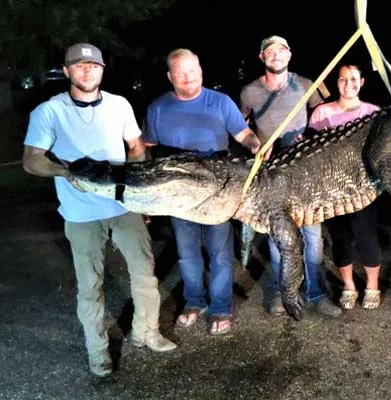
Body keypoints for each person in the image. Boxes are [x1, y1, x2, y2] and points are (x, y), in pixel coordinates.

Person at [22, 43, 177, 378]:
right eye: (79, 66)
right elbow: (32, 159)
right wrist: (66, 173)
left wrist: (138, 188)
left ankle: (146, 332)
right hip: (80, 213)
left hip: (122, 205)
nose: (87, 70)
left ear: (103, 70)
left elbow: (136, 146)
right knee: (90, 285)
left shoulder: (119, 105)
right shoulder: (49, 111)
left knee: (144, 274)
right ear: (66, 71)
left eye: (93, 65)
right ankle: (98, 350)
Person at [142, 49, 263, 335]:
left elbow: (244, 135)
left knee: (220, 252)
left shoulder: (220, 102)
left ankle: (221, 307)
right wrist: (147, 194)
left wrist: (257, 146)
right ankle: (194, 302)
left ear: (201, 70)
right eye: (181, 73)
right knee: (186, 252)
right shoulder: (158, 108)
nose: (188, 78)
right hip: (178, 192)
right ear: (170, 77)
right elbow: (145, 149)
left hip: (217, 190)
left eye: (192, 70)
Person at [240, 35, 341, 318]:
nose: (276, 55)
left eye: (281, 50)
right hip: (271, 175)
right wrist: (257, 145)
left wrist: (308, 138)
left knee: (313, 237)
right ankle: (282, 294)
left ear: (289, 55)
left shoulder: (307, 85)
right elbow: (242, 126)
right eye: (269, 52)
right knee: (277, 239)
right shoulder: (249, 92)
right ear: (262, 57)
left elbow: (325, 117)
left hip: (305, 173)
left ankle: (317, 293)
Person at [308, 64, 382, 310]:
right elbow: (313, 150)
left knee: (366, 236)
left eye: (353, 79)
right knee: (341, 239)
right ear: (336, 83)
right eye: (342, 79)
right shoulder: (321, 113)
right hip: (331, 189)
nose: (348, 83)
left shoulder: (373, 113)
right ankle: (349, 286)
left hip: (363, 188)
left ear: (361, 82)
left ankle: (372, 286)